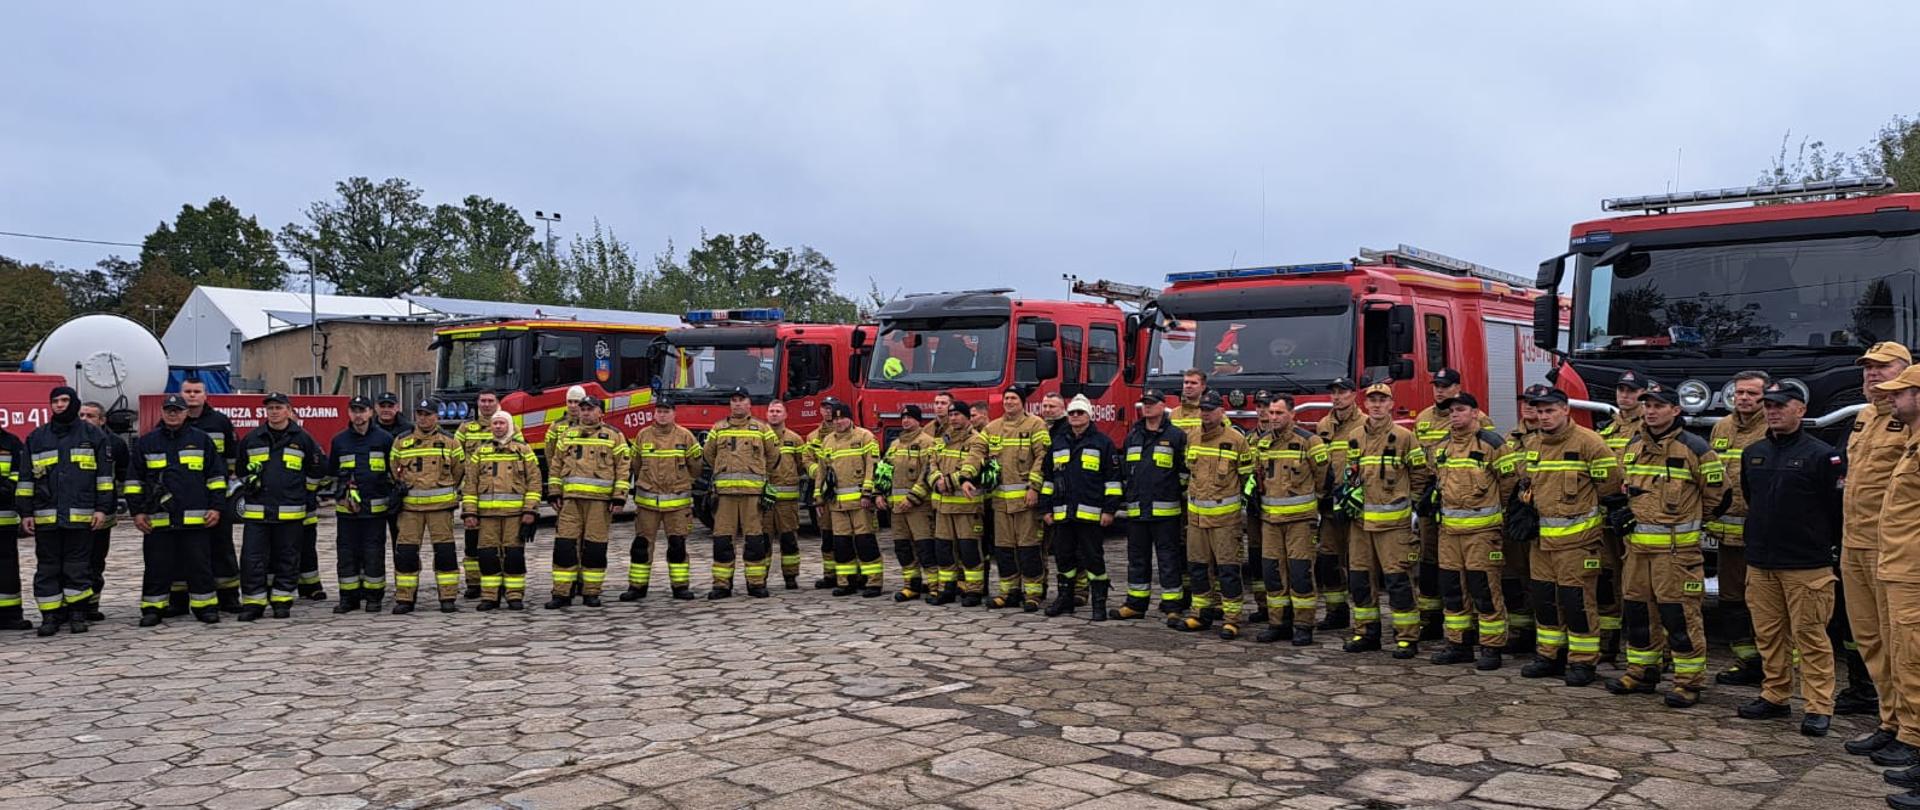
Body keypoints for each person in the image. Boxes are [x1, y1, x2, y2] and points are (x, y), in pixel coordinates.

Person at [1603, 383, 1724, 706]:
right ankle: (1642, 672)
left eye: (1659, 405)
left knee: (1680, 617)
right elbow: (1624, 486)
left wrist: (1688, 521)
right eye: (1648, 405)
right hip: (1637, 552)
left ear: (1676, 410)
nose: (1651, 411)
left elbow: (1718, 496)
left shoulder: (1695, 448)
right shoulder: (1633, 445)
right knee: (1639, 615)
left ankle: (1688, 681)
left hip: (1677, 554)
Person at [1735, 381, 1844, 737]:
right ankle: (1775, 695)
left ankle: (1818, 706)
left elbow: (1836, 509)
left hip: (1806, 565)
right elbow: (1753, 500)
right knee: (1768, 635)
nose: (1772, 411)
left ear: (1801, 409)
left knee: (1810, 637)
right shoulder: (1753, 452)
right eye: (1768, 405)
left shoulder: (1822, 455)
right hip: (1762, 562)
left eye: (1781, 405)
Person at [1518, 386, 1624, 686]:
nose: (1544, 416)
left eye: (1550, 410)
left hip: (1578, 543)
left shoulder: (1590, 442)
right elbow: (1528, 482)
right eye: (1539, 412)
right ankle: (1549, 655)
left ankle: (1582, 662)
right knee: (1545, 601)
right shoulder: (1534, 444)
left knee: (1577, 603)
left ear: (1565, 410)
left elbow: (1610, 487)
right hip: (1541, 543)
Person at [1843, 342, 1914, 763]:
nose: (1871, 375)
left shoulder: (1911, 421)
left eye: (1881, 368)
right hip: (1855, 543)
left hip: (1893, 549)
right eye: (1867, 369)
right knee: (1869, 639)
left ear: (1906, 373)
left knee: (1900, 641)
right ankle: (1889, 722)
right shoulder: (1864, 417)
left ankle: (1911, 729)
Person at [1427, 392, 1521, 669]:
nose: (1454, 414)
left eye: (1460, 409)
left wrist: (1492, 512)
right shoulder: (1442, 446)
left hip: (1482, 533)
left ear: (1475, 413)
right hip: (1449, 533)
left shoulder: (1493, 444)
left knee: (1485, 591)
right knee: (1453, 590)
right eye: (1450, 411)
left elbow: (1508, 482)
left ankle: (1491, 648)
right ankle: (1458, 644)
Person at [1340, 382, 1432, 658]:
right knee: (1359, 580)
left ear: (1392, 404)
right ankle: (1366, 632)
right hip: (1360, 525)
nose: (1377, 405)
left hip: (1393, 526)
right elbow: (1350, 473)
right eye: (1372, 401)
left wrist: (1412, 509)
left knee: (1397, 581)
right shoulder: (1355, 436)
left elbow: (1419, 474)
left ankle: (1406, 637)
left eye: (1383, 400)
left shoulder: (1405, 437)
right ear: (1365, 405)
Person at [126, 394, 226, 626]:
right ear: (162, 412)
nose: (173, 414)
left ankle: (205, 607)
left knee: (200, 565)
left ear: (185, 413)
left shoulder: (201, 441)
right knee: (156, 566)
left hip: (195, 519)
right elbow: (133, 482)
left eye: (177, 410)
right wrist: (137, 512)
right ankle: (153, 608)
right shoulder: (146, 443)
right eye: (169, 410)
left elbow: (216, 478)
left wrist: (216, 507)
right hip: (158, 519)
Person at [1411, 369, 1494, 639]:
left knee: (1476, 577)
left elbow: (1496, 471)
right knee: (1433, 564)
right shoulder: (1422, 418)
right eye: (1436, 386)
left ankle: (1483, 632)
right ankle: (1433, 621)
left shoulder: (1480, 421)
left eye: (1446, 386)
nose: (1439, 390)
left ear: (1458, 387)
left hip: (1475, 512)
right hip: (1437, 501)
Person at [1871, 365, 1920, 806]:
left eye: (1900, 393)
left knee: (1916, 658)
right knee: (1903, 656)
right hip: (1896, 566)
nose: (1892, 400)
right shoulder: (1912, 443)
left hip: (1913, 571)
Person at [236, 392, 324, 622]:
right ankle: (253, 603)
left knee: (288, 558)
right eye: (270, 408)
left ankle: (282, 601)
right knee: (252, 559)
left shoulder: (303, 439)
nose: (274, 412)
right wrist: (250, 483)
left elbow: (317, 469)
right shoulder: (253, 438)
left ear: (288, 410)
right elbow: (241, 469)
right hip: (257, 511)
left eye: (278, 407)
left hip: (290, 511)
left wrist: (302, 493)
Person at [1171, 391, 1253, 638]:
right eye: (1202, 410)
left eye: (1210, 410)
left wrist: (1242, 508)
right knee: (1197, 569)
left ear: (1221, 411)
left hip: (1225, 522)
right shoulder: (1193, 438)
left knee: (1227, 570)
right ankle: (1201, 614)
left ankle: (1232, 619)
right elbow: (1189, 472)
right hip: (1196, 520)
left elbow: (1248, 478)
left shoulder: (1237, 439)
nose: (1205, 414)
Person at [1712, 370, 1772, 686]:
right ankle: (1746, 661)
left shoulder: (1773, 427)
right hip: (1726, 535)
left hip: (1761, 535)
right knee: (1731, 600)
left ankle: (1774, 667)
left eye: (1752, 393)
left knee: (1763, 604)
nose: (1744, 398)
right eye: (1740, 393)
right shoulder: (1721, 427)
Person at [1252, 394, 1327, 644]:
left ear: (1292, 414)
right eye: (1271, 413)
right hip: (1270, 522)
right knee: (1273, 574)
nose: (1273, 418)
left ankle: (1303, 625)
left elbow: (1324, 478)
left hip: (1300, 522)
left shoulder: (1309, 441)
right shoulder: (1261, 443)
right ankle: (1278, 623)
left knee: (1300, 574)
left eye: (1279, 413)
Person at [545, 395, 630, 608]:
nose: (585, 412)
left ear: (601, 412)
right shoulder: (567, 435)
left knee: (594, 548)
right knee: (564, 546)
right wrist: (554, 493)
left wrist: (619, 496)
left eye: (590, 409)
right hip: (570, 502)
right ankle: (562, 593)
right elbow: (555, 465)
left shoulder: (614, 436)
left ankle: (591, 592)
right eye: (583, 409)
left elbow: (623, 468)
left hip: (599, 503)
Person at [1039, 394, 1120, 618]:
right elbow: (1048, 479)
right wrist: (1045, 509)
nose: (1075, 416)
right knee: (1064, 557)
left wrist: (1109, 510)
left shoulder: (1103, 443)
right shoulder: (1059, 443)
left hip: (1091, 515)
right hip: (1063, 515)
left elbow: (1113, 481)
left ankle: (1098, 604)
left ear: (1089, 416)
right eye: (1072, 413)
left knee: (1093, 558)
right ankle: (1065, 599)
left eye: (1080, 413)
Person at [1114, 390, 1187, 621]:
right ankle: (1135, 604)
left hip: (1166, 512)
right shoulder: (1133, 436)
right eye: (1144, 403)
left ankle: (1173, 605)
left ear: (1162, 406)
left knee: (1168, 561)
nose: (1147, 407)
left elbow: (1184, 473)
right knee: (1137, 560)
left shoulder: (1176, 436)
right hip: (1137, 512)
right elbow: (1126, 472)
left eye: (1152, 403)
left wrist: (1174, 492)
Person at [461, 409, 540, 611]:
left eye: (501, 423)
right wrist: (469, 512)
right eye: (495, 423)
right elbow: (470, 484)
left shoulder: (523, 451)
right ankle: (490, 597)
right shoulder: (481, 452)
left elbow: (534, 482)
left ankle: (514, 596)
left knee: (514, 556)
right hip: (487, 517)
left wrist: (530, 510)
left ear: (510, 426)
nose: (497, 427)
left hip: (515, 516)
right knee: (487, 557)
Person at [623, 399, 701, 601]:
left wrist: (682, 482)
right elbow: (636, 465)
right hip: (648, 504)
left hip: (677, 504)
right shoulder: (643, 435)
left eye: (666, 411)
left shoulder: (685, 436)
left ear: (674, 413)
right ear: (654, 414)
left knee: (677, 545)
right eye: (659, 411)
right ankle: (637, 587)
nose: (662, 415)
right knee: (641, 546)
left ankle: (680, 586)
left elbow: (696, 467)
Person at [705, 388, 780, 598]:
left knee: (755, 541)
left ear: (749, 404)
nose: (737, 404)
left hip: (752, 496)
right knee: (722, 541)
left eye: (742, 400)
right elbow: (708, 455)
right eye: (734, 400)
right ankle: (721, 585)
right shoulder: (718, 429)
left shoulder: (762, 429)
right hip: (725, 496)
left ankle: (756, 584)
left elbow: (773, 457)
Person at [392, 400, 465, 614]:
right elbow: (393, 471)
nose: (423, 418)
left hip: (440, 509)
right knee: (405, 553)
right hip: (410, 510)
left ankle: (448, 597)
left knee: (445, 553)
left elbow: (459, 470)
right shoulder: (401, 441)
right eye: (420, 413)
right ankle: (405, 598)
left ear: (437, 417)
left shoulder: (451, 442)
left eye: (428, 414)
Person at [983, 388, 1051, 609]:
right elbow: (977, 452)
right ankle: (1009, 592)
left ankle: (1033, 593)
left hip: (1025, 501)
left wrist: (1034, 487)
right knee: (1004, 549)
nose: (1009, 402)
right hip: (1000, 503)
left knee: (1029, 548)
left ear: (1022, 402)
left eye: (1013, 398)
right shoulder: (992, 428)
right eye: (1006, 399)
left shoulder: (1035, 425)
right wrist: (966, 475)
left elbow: (1042, 457)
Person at [179, 376, 242, 612]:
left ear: (205, 395)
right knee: (185, 550)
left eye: (196, 391)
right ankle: (184, 598)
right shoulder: (172, 421)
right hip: (184, 498)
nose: (192, 395)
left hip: (216, 496)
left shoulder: (220, 422)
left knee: (222, 547)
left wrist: (223, 487)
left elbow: (233, 459)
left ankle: (228, 597)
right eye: (188, 391)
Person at [328, 396, 395, 613]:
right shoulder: (339, 441)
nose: (358, 415)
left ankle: (374, 597)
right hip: (347, 512)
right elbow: (331, 474)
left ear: (370, 412)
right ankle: (348, 598)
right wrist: (340, 493)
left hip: (375, 511)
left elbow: (393, 473)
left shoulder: (384, 439)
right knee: (347, 555)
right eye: (354, 411)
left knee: (373, 554)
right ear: (349, 413)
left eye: (362, 410)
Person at [814, 401, 882, 597]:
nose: (839, 422)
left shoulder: (865, 437)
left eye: (842, 417)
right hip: (837, 504)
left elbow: (873, 467)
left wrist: (868, 493)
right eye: (835, 419)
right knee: (841, 544)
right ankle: (846, 582)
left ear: (850, 418)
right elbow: (821, 471)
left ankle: (873, 583)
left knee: (865, 543)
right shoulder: (827, 441)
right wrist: (818, 497)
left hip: (861, 502)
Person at [1315, 376, 1366, 632]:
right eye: (1333, 392)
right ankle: (1336, 612)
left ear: (1354, 395)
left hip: (1355, 506)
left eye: (1342, 392)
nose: (1337, 397)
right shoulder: (1324, 424)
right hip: (1328, 504)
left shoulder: (1365, 425)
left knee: (1358, 562)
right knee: (1328, 558)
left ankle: (1364, 618)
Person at [929, 402, 989, 606]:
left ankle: (974, 591)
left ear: (967, 417)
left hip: (967, 506)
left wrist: (949, 481)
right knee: (944, 550)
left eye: (958, 414)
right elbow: (932, 463)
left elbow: (971, 465)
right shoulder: (942, 440)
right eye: (951, 414)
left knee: (969, 549)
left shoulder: (977, 440)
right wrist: (937, 480)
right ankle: (948, 589)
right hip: (944, 506)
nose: (953, 418)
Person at [452, 390, 509, 598]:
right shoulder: (466, 429)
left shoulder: (509, 426)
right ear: (477, 404)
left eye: (490, 401)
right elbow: (455, 457)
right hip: (474, 495)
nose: (486, 405)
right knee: (472, 543)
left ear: (498, 403)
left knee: (500, 543)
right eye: (483, 401)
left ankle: (499, 581)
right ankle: (474, 583)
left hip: (502, 495)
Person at [879, 405, 940, 601]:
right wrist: (879, 493)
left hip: (919, 507)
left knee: (925, 547)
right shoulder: (895, 445)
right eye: (903, 417)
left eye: (910, 418)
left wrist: (913, 498)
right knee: (902, 548)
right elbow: (884, 472)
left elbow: (927, 474)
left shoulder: (928, 443)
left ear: (918, 421)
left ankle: (934, 585)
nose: (905, 421)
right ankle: (911, 585)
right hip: (897, 509)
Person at [764, 401, 807, 589]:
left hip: (787, 502)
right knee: (762, 541)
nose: (774, 414)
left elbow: (801, 464)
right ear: (767, 414)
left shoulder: (795, 439)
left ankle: (791, 577)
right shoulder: (758, 437)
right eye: (771, 411)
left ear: (785, 415)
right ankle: (759, 578)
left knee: (789, 540)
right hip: (764, 501)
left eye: (778, 411)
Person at [0, 419, 29, 631]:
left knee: (7, 570)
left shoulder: (11, 442)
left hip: (4, 518)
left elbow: (19, 476)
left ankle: (10, 616)